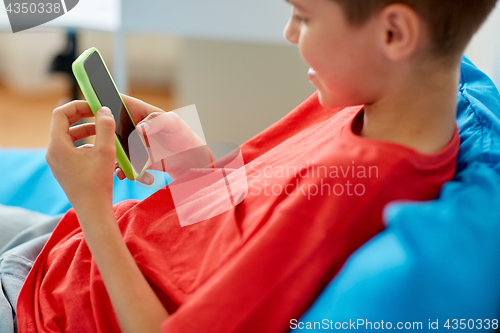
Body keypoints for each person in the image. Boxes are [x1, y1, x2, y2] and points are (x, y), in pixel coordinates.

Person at [0, 0, 497, 332]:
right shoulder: (358, 106)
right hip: (56, 252)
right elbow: (228, 228)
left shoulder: (341, 195)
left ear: (394, 31)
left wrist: (92, 205)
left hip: (45, 310)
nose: (289, 31)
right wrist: (190, 158)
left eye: (304, 15)